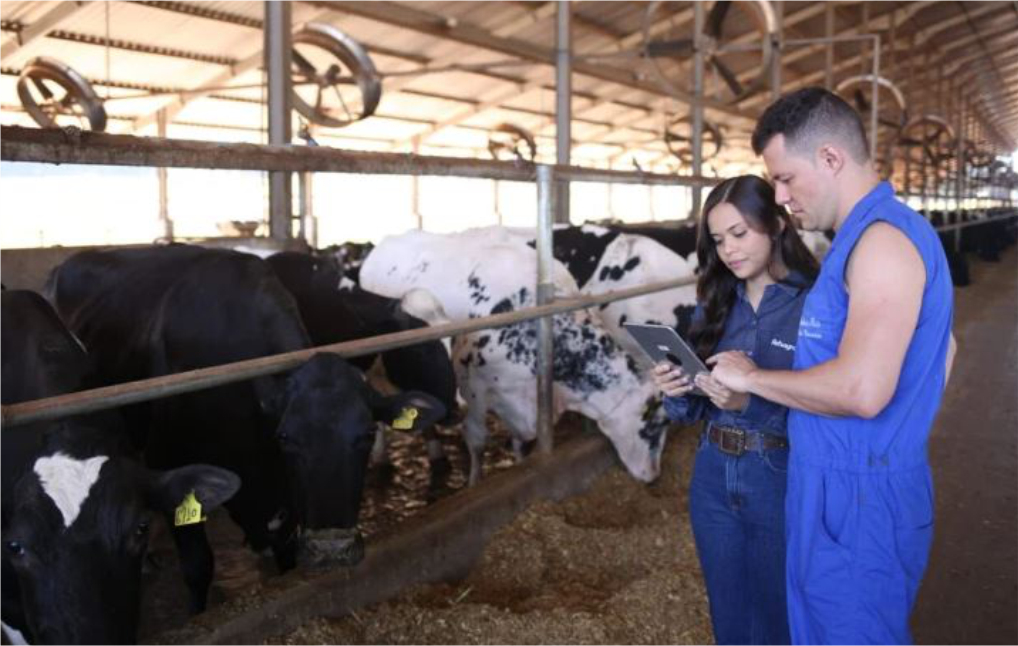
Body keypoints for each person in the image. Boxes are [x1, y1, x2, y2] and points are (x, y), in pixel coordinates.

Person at [708, 87, 958, 645]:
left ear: (830, 157)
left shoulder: (881, 242)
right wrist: (900, 427)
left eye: (785, 178)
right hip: (842, 482)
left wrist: (752, 378)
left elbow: (864, 391)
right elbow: (946, 348)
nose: (780, 196)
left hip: (858, 495)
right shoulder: (862, 240)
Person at [652, 174, 819, 645]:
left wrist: (749, 402)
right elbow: (690, 413)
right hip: (712, 473)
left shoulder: (814, 304)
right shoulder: (717, 302)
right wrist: (676, 390)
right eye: (719, 240)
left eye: (740, 233)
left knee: (777, 613)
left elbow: (829, 401)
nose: (728, 250)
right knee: (728, 613)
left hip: (779, 474)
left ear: (778, 225)